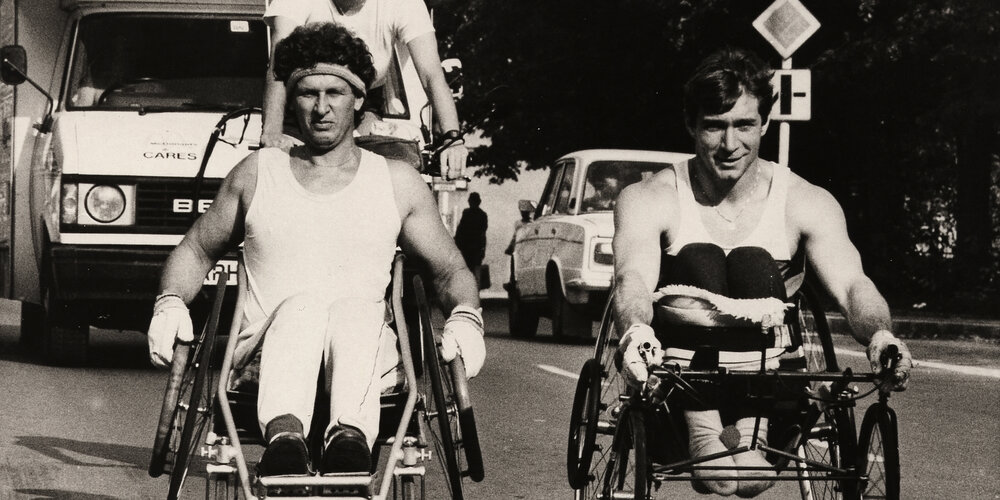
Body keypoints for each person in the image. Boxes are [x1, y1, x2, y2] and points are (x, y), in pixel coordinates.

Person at [146, 23, 485, 477]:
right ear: (292, 99)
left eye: (335, 93)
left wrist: (466, 315)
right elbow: (195, 251)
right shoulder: (257, 173)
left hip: (366, 361)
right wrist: (169, 303)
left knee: (353, 311)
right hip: (264, 364)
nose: (321, 108)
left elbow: (449, 271)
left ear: (359, 98)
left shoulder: (396, 181)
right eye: (307, 93)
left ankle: (348, 438)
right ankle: (286, 439)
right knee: (303, 308)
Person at [611, 47, 913, 497]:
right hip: (680, 380)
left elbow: (852, 286)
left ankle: (752, 435)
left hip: (770, 384)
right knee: (699, 257)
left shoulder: (804, 200)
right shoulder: (650, 197)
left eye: (744, 125)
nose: (730, 144)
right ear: (691, 125)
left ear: (765, 124)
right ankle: (702, 431)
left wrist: (881, 337)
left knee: (755, 263)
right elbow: (632, 276)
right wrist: (635, 330)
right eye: (714, 126)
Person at [260, 0, 469, 180]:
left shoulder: (404, 3)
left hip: (364, 101)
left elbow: (431, 75)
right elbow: (278, 67)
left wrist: (452, 138)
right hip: (306, 100)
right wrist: (272, 132)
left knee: (383, 167)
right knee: (287, 168)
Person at [454, 192, 488, 288]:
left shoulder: (467, 213)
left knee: (467, 268)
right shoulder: (482, 215)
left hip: (466, 246)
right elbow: (483, 233)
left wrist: (457, 242)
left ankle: (468, 288)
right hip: (475, 247)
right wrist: (483, 249)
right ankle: (475, 288)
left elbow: (460, 229)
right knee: (475, 269)